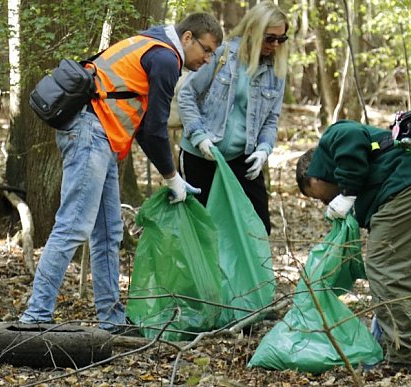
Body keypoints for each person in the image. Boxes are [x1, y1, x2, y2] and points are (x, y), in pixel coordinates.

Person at [19, 13, 224, 334]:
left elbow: (144, 129)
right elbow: (155, 130)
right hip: (91, 134)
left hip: (102, 137)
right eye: (207, 50)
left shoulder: (151, 43)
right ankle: (36, 315)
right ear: (187, 38)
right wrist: (173, 178)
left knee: (108, 233)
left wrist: (171, 175)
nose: (207, 59)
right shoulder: (166, 59)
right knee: (73, 225)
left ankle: (111, 319)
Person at [295, 118, 411, 372]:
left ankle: (402, 359)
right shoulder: (373, 165)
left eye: (315, 193)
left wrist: (347, 193)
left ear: (313, 173)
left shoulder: (332, 141)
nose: (322, 201)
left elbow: (350, 134)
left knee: (384, 271)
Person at [177, 1, 289, 235]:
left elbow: (271, 119)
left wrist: (264, 149)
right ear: (254, 31)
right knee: (203, 228)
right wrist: (199, 136)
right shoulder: (222, 55)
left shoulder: (276, 71)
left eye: (282, 39)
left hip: (242, 156)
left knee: (258, 227)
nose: (275, 45)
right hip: (202, 154)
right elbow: (187, 95)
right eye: (270, 38)